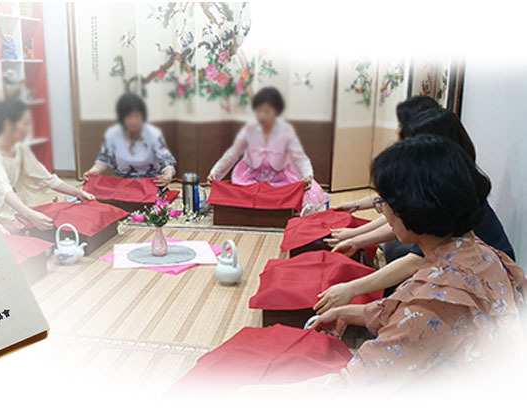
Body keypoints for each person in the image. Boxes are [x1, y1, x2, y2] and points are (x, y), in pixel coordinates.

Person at [309, 136, 525, 391]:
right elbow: (408, 308)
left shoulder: (436, 302)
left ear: (412, 208)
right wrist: (348, 313)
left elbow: (355, 386)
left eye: (384, 203)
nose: (383, 211)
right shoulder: (479, 251)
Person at [315, 108, 516, 313]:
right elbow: (399, 216)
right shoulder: (449, 184)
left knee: (394, 255)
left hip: (482, 291)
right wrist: (356, 235)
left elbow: (412, 256)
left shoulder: (448, 199)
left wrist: (352, 288)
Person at [0, 98, 94, 233]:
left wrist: (79, 193)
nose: (28, 129)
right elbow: (2, 188)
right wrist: (29, 214)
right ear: (8, 125)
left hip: (4, 209)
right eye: (25, 123)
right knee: (8, 236)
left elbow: (46, 179)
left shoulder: (19, 149)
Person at [206, 86, 328, 211]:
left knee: (291, 198)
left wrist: (307, 175)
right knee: (244, 199)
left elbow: (299, 158)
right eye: (259, 111)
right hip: (250, 178)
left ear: (276, 112)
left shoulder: (286, 131)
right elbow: (232, 154)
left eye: (267, 111)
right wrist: (215, 172)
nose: (262, 116)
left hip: (281, 179)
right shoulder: (249, 130)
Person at [83, 93, 176, 186]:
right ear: (122, 117)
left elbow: (166, 161)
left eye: (137, 116)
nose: (133, 121)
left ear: (143, 116)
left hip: (150, 183)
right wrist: (93, 171)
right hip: (121, 183)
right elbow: (104, 160)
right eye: (129, 117)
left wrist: (168, 174)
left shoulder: (153, 134)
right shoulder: (113, 134)